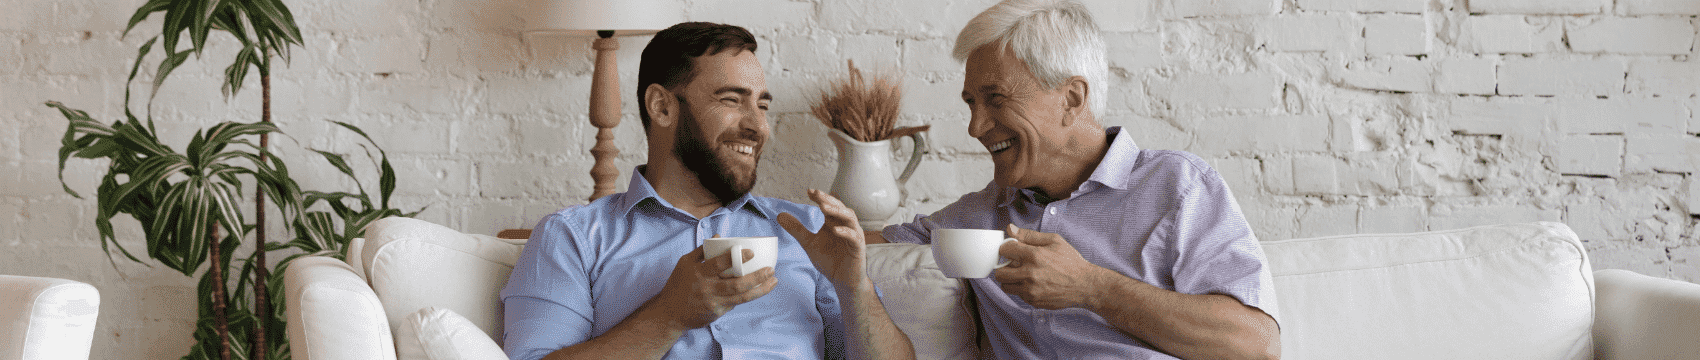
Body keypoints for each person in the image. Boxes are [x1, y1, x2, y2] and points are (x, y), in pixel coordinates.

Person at [870, 0, 1282, 359]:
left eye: (995, 99)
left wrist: (1091, 287)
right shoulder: (978, 217)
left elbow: (1256, 345)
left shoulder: (1177, 186)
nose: (975, 127)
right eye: (971, 103)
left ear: (1071, 99)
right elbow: (863, 245)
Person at [500, 22, 915, 360]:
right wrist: (668, 317)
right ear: (662, 107)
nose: (757, 126)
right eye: (732, 100)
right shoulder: (573, 237)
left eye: (763, 105)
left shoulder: (808, 230)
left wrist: (854, 287)